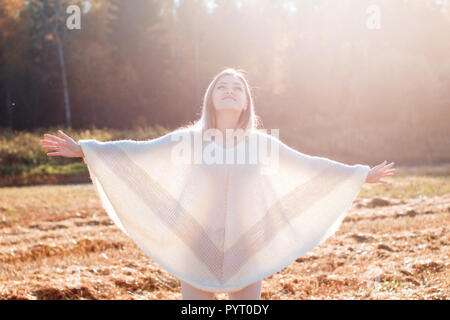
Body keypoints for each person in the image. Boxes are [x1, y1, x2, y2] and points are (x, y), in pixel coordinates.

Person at [40, 68, 396, 300]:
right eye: (221, 86)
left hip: (249, 245)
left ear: (246, 102)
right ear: (210, 98)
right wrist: (86, 150)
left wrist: (361, 174)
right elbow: (138, 155)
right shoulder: (189, 141)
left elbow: (312, 169)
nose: (229, 91)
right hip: (196, 242)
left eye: (237, 87)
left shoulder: (262, 144)